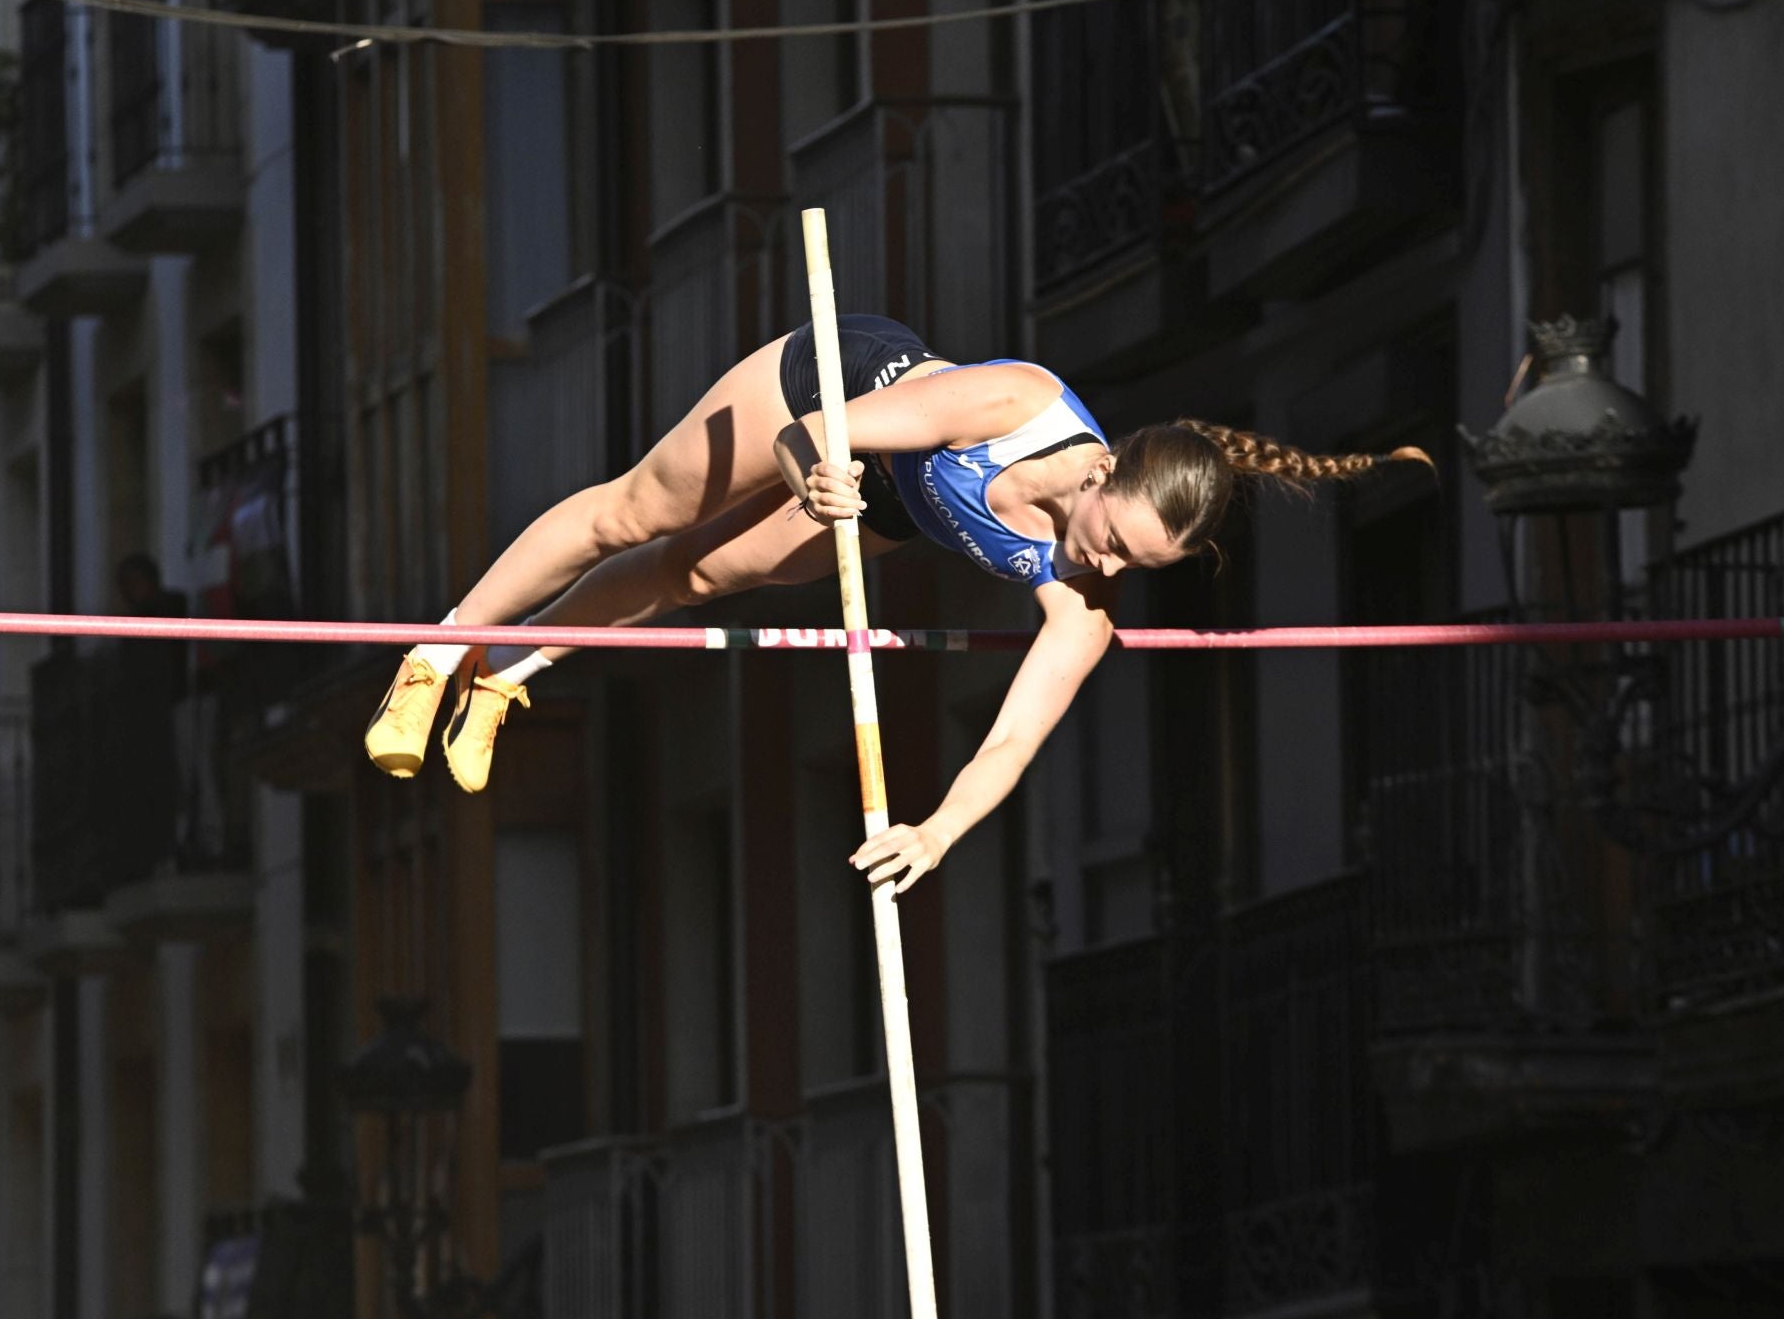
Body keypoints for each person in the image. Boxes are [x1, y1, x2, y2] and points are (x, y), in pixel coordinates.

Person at [364, 314, 1428, 893]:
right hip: (833, 394)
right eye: (1112, 542)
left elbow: (1012, 744)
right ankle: (436, 657)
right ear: (1100, 475)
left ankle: (509, 675)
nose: (1107, 568)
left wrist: (937, 834)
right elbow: (820, 434)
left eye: (1138, 568)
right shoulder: (1017, 404)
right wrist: (808, 468)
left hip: (892, 502)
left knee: (701, 578)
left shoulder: (1086, 605)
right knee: (637, 516)